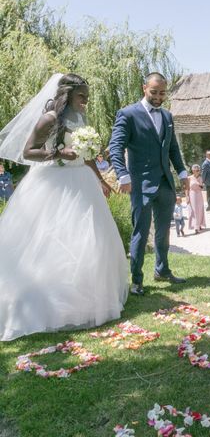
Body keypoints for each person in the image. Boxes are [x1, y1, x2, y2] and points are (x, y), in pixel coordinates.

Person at [0, 73, 128, 340]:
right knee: (52, 242)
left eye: (87, 97)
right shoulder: (50, 119)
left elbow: (88, 154)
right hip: (54, 184)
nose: (86, 102)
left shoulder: (82, 120)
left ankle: (87, 302)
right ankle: (45, 301)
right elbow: (28, 151)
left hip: (82, 182)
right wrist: (58, 153)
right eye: (82, 96)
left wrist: (101, 179)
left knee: (89, 241)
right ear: (67, 95)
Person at [109, 72, 188, 296]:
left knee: (164, 232)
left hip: (165, 184)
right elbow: (115, 147)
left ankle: (162, 270)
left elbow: (173, 148)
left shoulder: (167, 116)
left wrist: (182, 172)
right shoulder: (127, 114)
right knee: (140, 234)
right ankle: (137, 280)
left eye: (162, 93)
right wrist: (122, 175)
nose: (158, 97)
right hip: (140, 185)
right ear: (144, 88)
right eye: (154, 92)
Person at [188, 164, 206, 234]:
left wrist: (199, 184)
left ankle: (200, 224)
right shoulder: (189, 178)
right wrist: (187, 196)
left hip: (199, 194)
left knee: (200, 210)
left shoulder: (200, 178)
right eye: (196, 170)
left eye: (198, 170)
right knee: (194, 210)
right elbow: (186, 188)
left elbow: (202, 187)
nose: (197, 171)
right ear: (193, 170)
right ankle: (196, 227)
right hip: (192, 194)